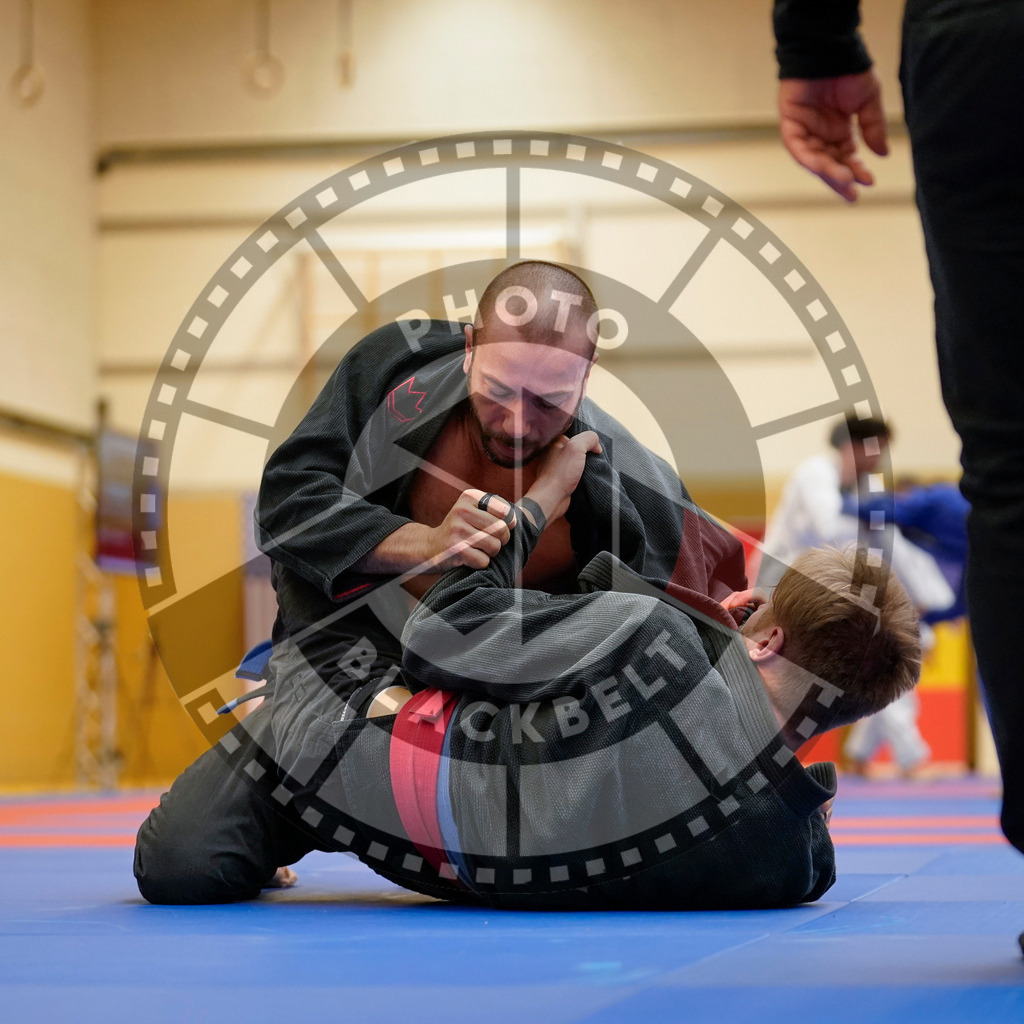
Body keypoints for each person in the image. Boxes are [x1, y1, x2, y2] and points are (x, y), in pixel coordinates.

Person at [134, 260, 746, 905]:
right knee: (181, 862)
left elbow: (701, 614)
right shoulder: (394, 376)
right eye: (499, 389)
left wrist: (744, 658)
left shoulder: (618, 482)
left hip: (487, 730)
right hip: (340, 691)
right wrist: (424, 543)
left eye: (549, 402)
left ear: (585, 380)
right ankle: (303, 799)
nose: (518, 422)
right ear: (469, 348)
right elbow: (286, 505)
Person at [176, 432, 920, 910]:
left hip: (361, 747)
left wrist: (537, 503)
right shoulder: (793, 865)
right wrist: (801, 801)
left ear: (764, 636)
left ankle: (284, 686)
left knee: (308, 525)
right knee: (190, 865)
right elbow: (793, 823)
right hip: (435, 860)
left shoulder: (651, 635)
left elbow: (437, 635)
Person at [772, 2, 1024, 948]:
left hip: (977, 47)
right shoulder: (819, 479)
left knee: (1010, 470)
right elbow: (839, 529)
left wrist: (816, 43)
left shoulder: (882, 497)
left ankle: (903, 760)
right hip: (802, 587)